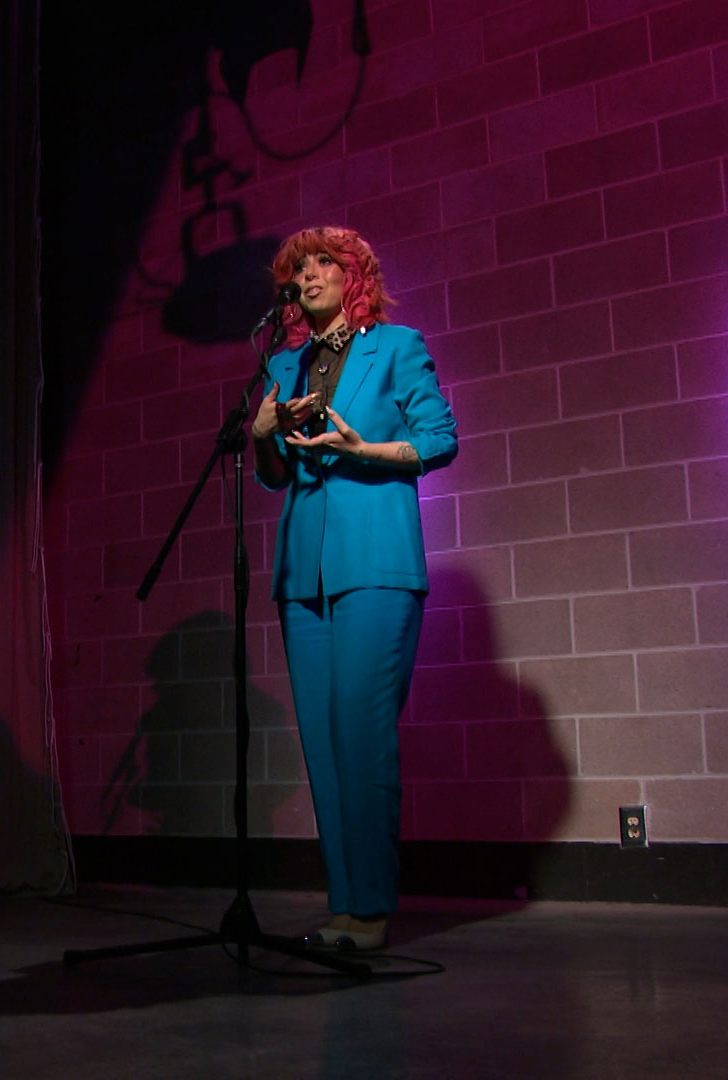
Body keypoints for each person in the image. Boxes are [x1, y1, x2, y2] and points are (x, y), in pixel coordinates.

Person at [250, 226, 458, 951]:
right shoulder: (285, 361)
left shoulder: (395, 346)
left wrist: (362, 450)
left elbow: (439, 439)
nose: (307, 277)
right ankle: (345, 906)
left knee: (361, 735)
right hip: (303, 569)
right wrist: (261, 435)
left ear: (352, 276)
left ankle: (370, 909)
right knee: (323, 743)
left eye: (321, 265)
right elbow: (275, 475)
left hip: (375, 559)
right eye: (297, 268)